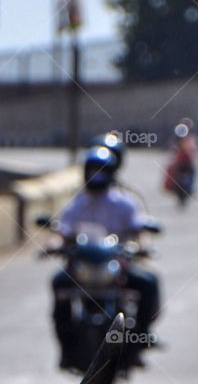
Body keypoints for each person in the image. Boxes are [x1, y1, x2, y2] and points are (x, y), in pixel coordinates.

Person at [51, 145, 160, 369]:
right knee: (58, 283)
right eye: (92, 170)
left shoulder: (125, 203)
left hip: (116, 266)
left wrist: (142, 247)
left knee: (149, 283)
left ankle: (140, 339)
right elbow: (62, 232)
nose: (96, 176)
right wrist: (54, 245)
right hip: (84, 268)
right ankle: (66, 347)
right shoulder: (77, 204)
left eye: (101, 171)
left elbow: (139, 230)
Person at [164, 120, 198, 203]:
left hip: (185, 161)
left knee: (194, 170)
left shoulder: (186, 138)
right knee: (193, 170)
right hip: (182, 161)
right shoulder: (186, 138)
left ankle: (189, 187)